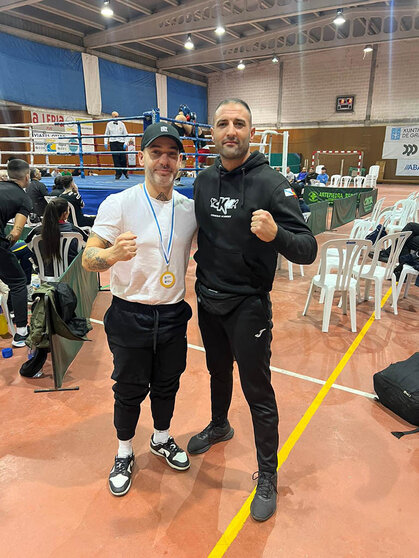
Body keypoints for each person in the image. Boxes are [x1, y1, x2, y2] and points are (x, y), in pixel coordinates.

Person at [189, 99, 317, 522]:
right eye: (223, 123)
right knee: (217, 372)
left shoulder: (271, 183)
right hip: (207, 299)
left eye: (239, 124)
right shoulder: (203, 180)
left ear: (251, 131)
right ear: (213, 132)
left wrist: (277, 232)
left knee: (258, 391)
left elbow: (308, 248)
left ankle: (267, 473)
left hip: (248, 306)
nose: (230, 130)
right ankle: (220, 424)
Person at [82, 122, 197, 497]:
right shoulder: (120, 203)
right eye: (156, 152)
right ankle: (124, 451)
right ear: (141, 157)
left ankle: (161, 438)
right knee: (129, 388)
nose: (164, 161)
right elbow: (89, 258)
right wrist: (112, 254)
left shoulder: (189, 209)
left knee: (168, 383)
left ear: (180, 161)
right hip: (130, 313)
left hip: (173, 312)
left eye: (171, 154)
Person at [0, 159, 32, 347]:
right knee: (18, 282)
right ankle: (21, 333)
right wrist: (6, 245)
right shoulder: (23, 198)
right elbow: (17, 232)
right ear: (26, 177)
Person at [25, 197, 88, 277]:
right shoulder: (75, 231)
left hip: (46, 272)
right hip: (72, 273)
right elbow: (86, 246)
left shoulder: (36, 232)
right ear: (65, 213)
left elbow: (29, 246)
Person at [104, 111, 129, 179]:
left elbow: (126, 134)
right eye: (115, 116)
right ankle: (118, 174)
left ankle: (125, 172)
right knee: (116, 159)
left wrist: (125, 143)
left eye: (117, 116)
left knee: (123, 159)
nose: (116, 118)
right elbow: (106, 134)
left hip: (121, 143)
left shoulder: (122, 124)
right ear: (112, 117)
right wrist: (105, 142)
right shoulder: (109, 124)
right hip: (113, 143)